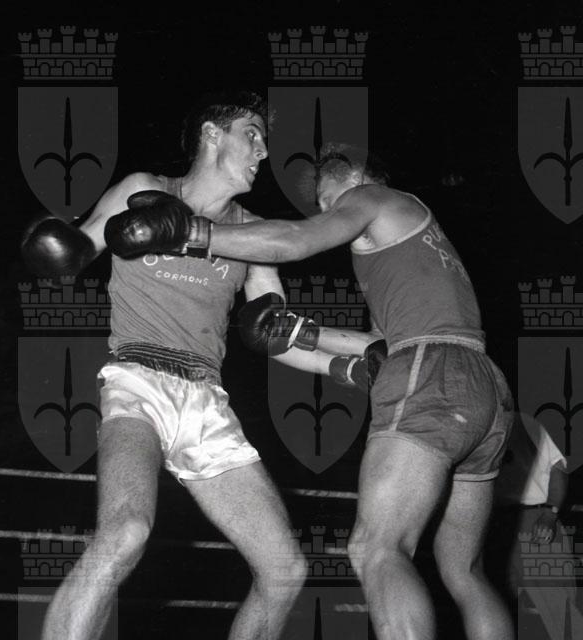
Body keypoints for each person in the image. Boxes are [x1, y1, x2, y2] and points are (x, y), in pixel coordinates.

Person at [21, 95, 382, 640]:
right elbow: (75, 250)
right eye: (251, 134)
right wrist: (54, 244)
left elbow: (276, 334)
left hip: (206, 400)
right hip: (137, 381)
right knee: (125, 532)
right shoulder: (144, 188)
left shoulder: (251, 233)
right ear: (213, 134)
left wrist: (349, 367)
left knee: (284, 570)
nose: (263, 152)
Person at [136, 143, 517, 640]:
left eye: (325, 198)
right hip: (485, 386)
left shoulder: (371, 198)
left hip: (433, 372)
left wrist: (192, 232)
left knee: (376, 548)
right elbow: (382, 347)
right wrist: (301, 333)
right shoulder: (410, 237)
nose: (323, 210)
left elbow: (296, 241)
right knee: (464, 570)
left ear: (352, 178)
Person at [488, 412, 583, 640]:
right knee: (513, 608)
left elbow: (558, 468)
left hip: (534, 521)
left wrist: (549, 514)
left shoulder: (527, 424)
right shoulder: (483, 424)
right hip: (497, 523)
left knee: (557, 611)